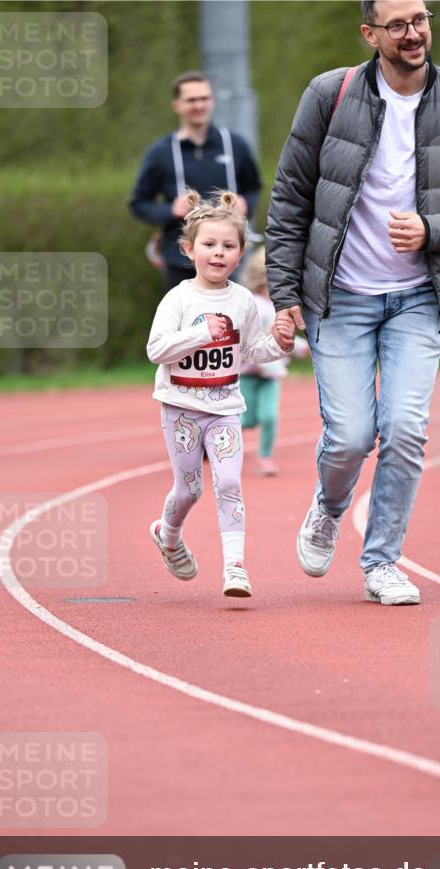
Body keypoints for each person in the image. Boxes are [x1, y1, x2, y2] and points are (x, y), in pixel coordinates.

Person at [265, 1, 440, 606]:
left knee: (403, 430)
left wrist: (433, 228)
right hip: (339, 297)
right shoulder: (330, 93)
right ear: (369, 34)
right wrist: (285, 296)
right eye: (397, 24)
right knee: (350, 437)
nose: (413, 33)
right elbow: (291, 198)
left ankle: (381, 563)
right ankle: (328, 507)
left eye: (420, 19)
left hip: (419, 298)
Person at [146, 190, 293, 598]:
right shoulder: (178, 298)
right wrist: (200, 334)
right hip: (181, 409)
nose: (218, 253)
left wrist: (279, 343)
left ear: (241, 252)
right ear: (189, 248)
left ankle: (235, 568)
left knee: (229, 483)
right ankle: (168, 535)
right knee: (189, 489)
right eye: (209, 244)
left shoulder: (243, 300)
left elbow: (249, 352)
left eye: (229, 246)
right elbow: (155, 350)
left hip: (225, 407)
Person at [129, 71, 262, 292]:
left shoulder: (235, 145)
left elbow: (253, 188)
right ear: (177, 105)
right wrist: (171, 210)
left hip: (227, 258)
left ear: (212, 101)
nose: (199, 105)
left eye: (204, 98)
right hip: (180, 259)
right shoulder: (160, 153)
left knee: (229, 321)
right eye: (191, 100)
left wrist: (245, 204)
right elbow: (139, 203)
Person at [239, 247, 310, 476]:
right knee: (246, 421)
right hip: (247, 374)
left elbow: (283, 337)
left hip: (270, 376)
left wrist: (301, 347)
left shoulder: (281, 307)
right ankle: (213, 443)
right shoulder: (256, 305)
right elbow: (257, 335)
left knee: (269, 417)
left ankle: (265, 458)